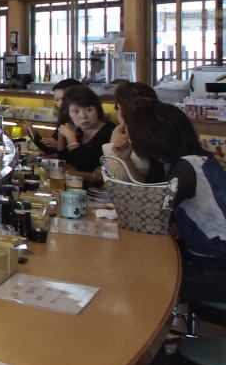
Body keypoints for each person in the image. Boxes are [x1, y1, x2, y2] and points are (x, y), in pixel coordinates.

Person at [124, 102, 226, 304]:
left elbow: (147, 212)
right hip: (211, 259)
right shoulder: (198, 159)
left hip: (216, 267)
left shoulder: (186, 167)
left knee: (139, 278)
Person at [102, 81, 159, 178]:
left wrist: (113, 144)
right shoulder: (157, 130)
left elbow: (118, 177)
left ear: (119, 108)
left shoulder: (139, 139)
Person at [56, 85, 115, 173]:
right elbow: (64, 162)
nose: (83, 116)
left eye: (89, 110)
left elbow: (85, 167)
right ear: (68, 113)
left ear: (97, 110)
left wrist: (72, 140)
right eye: (76, 111)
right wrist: (61, 136)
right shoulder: (79, 131)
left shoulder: (110, 131)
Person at [23, 78, 81, 154]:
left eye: (64, 99)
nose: (60, 104)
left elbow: (82, 158)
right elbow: (50, 150)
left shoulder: (85, 123)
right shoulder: (63, 117)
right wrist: (34, 135)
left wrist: (59, 145)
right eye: (57, 100)